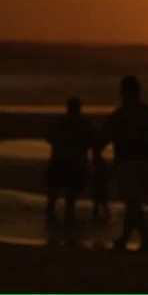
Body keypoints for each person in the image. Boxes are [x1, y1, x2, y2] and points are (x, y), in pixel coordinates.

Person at [98, 76, 148, 253]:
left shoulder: (120, 115)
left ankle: (146, 239)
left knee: (132, 201)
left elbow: (102, 140)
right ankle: (125, 238)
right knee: (132, 201)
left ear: (124, 92)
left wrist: (97, 156)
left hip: (130, 164)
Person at [45, 97, 93, 231]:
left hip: (59, 160)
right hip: (76, 162)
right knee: (71, 194)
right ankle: (67, 221)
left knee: (53, 193)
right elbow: (92, 141)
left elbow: (49, 137)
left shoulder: (60, 122)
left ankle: (51, 222)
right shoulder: (84, 124)